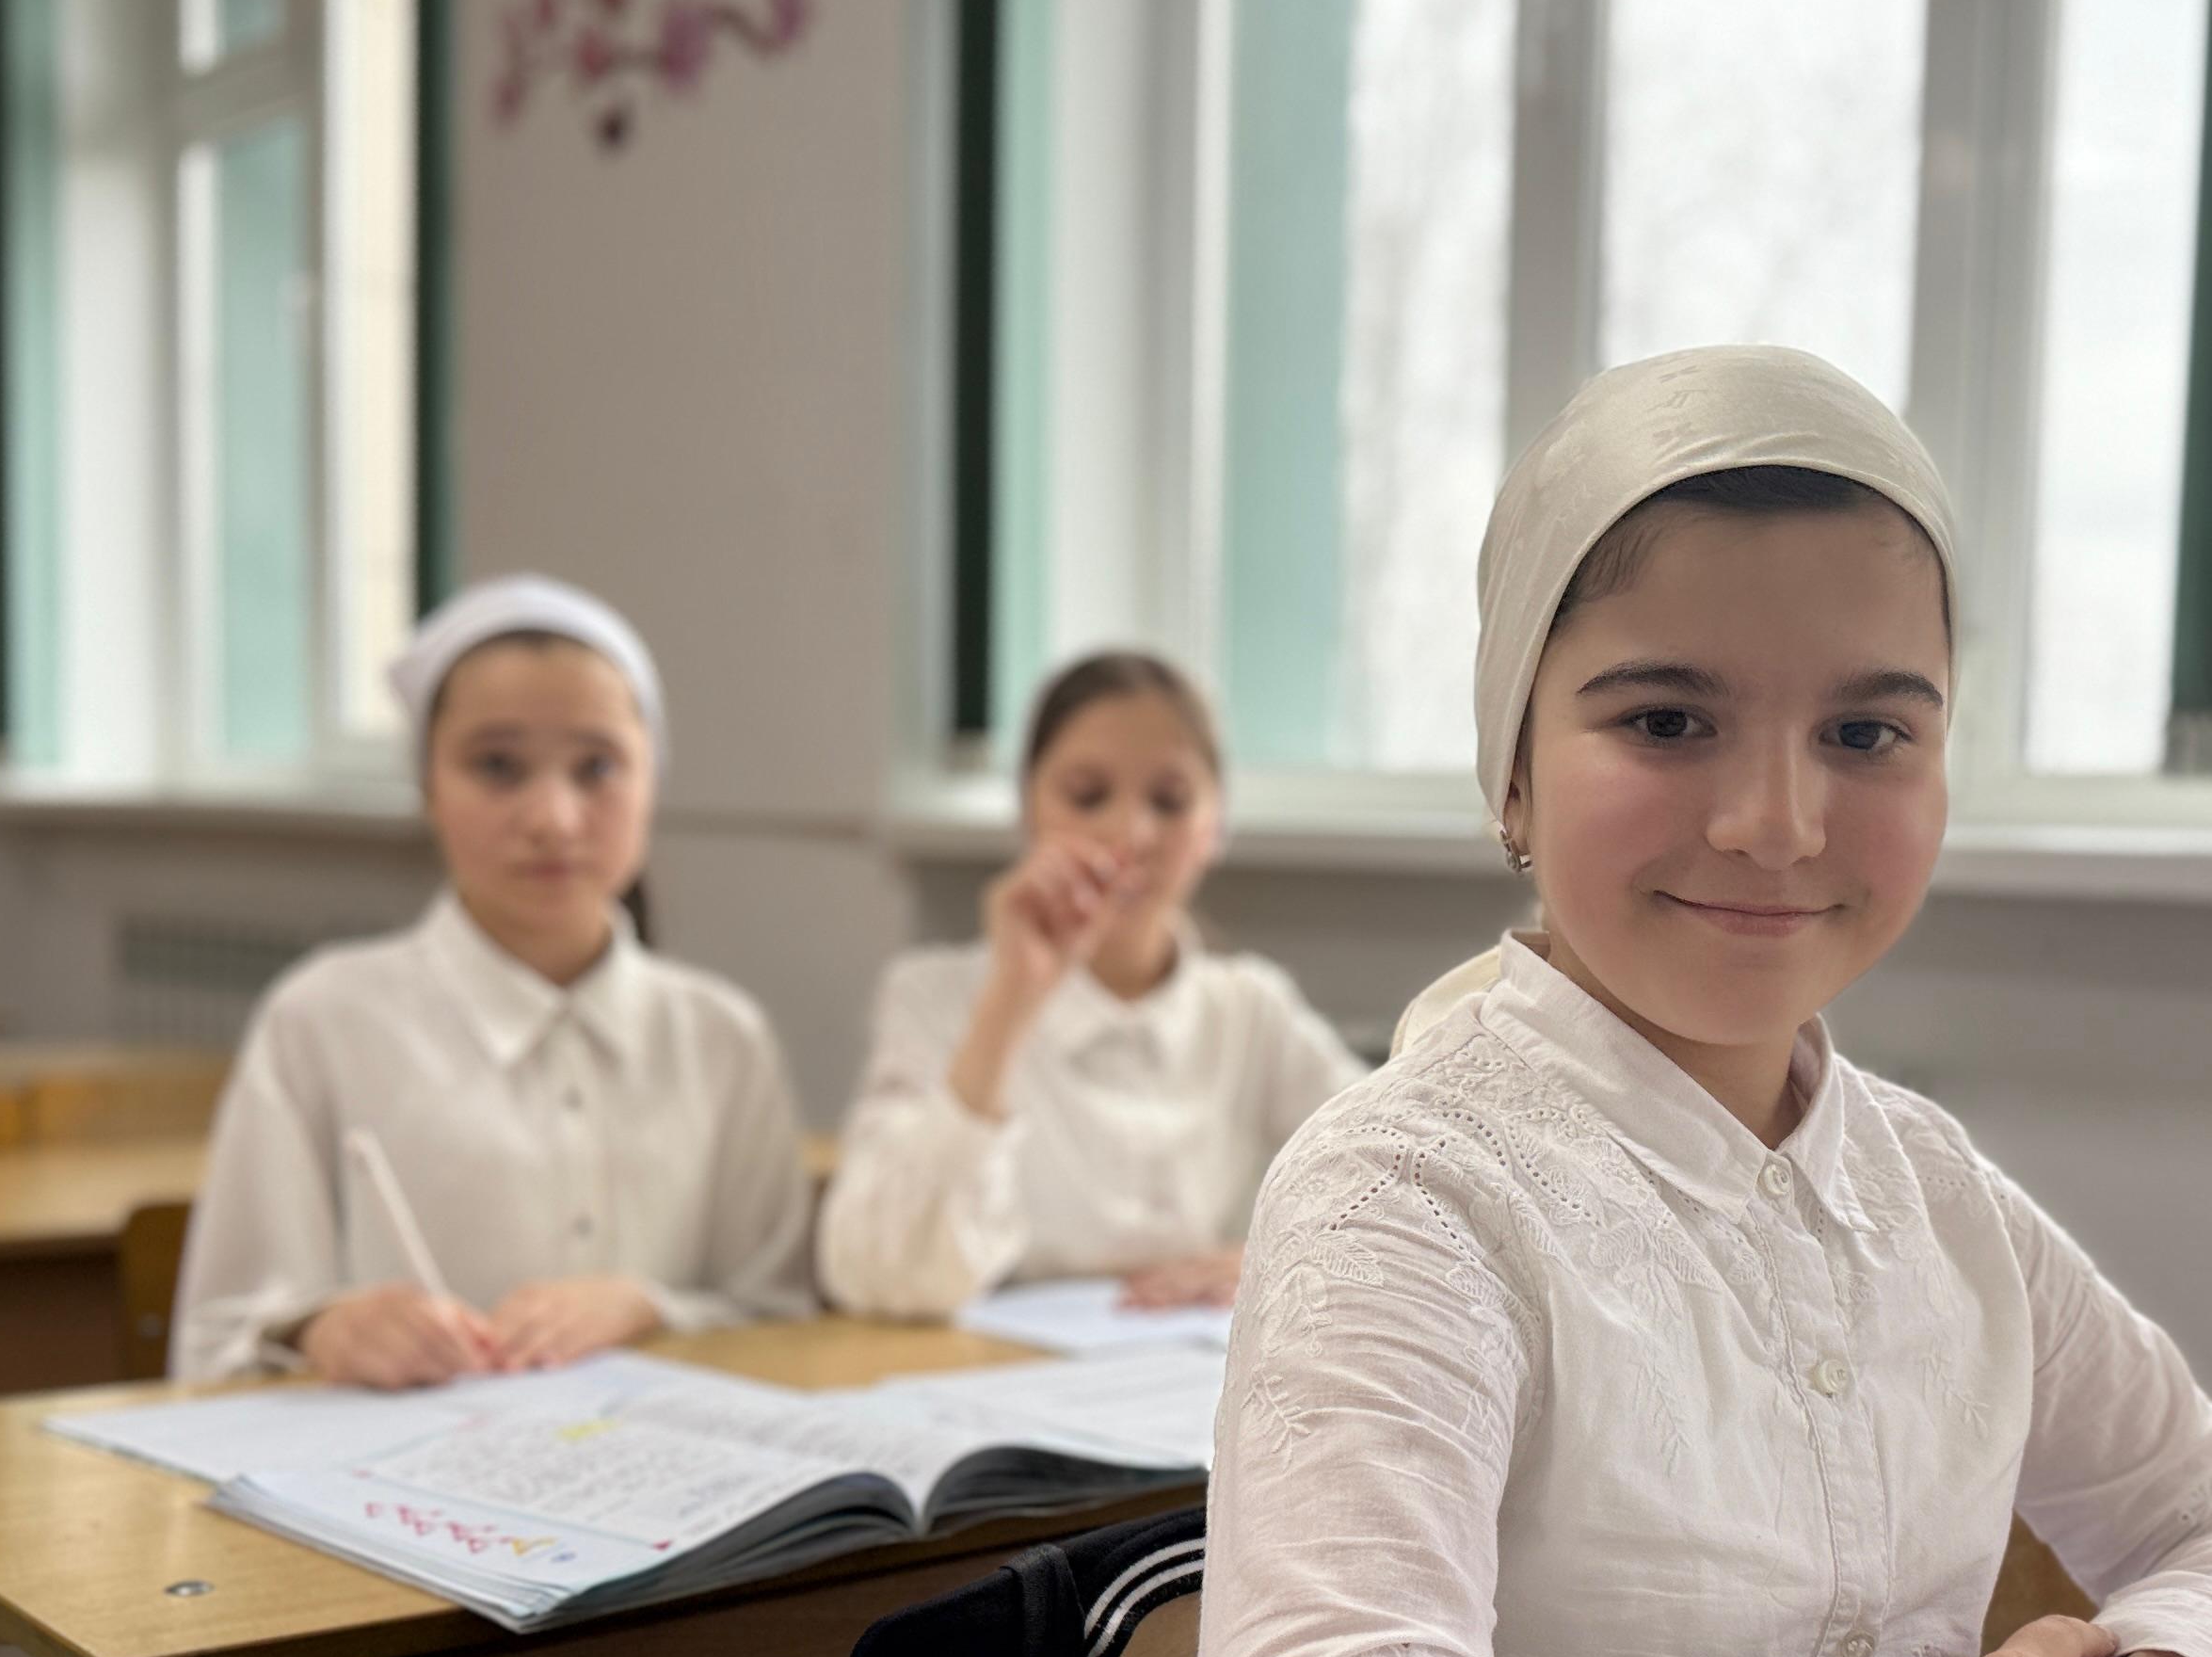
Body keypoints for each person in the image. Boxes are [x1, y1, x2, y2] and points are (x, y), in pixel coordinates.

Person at [1145, 346, 2212, 1657]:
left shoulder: (1930, 1190)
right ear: (1510, 770)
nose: (1776, 822)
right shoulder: (1406, 1196)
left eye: (1868, 733)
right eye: (1665, 721)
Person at [170, 575, 813, 1386]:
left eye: (598, 767)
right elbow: (215, 1343)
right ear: (427, 786)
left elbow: (783, 1322)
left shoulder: (721, 1037)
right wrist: (323, 1331)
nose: (553, 819)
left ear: (653, 779)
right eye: (498, 767)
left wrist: (649, 1307)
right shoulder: (322, 1020)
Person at [815, 651, 1362, 1320]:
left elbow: (1397, 1183)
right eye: (1086, 796)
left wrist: (1285, 1253)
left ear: (1214, 826)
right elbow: (874, 1275)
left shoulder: (1252, 1011)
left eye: (1169, 802)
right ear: (1029, 808)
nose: (1130, 834)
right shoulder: (933, 997)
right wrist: (1009, 1004)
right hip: (990, 1366)